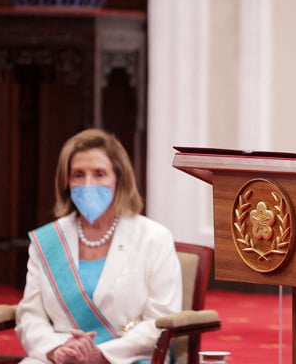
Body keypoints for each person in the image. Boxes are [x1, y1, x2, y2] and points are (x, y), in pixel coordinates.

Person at [15, 128, 182, 364]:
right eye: (78, 175)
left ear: (119, 179)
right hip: (63, 356)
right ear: (66, 182)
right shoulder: (48, 241)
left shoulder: (154, 238)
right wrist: (57, 350)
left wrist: (100, 355)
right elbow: (30, 315)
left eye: (100, 174)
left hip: (128, 357)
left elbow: (162, 319)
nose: (88, 184)